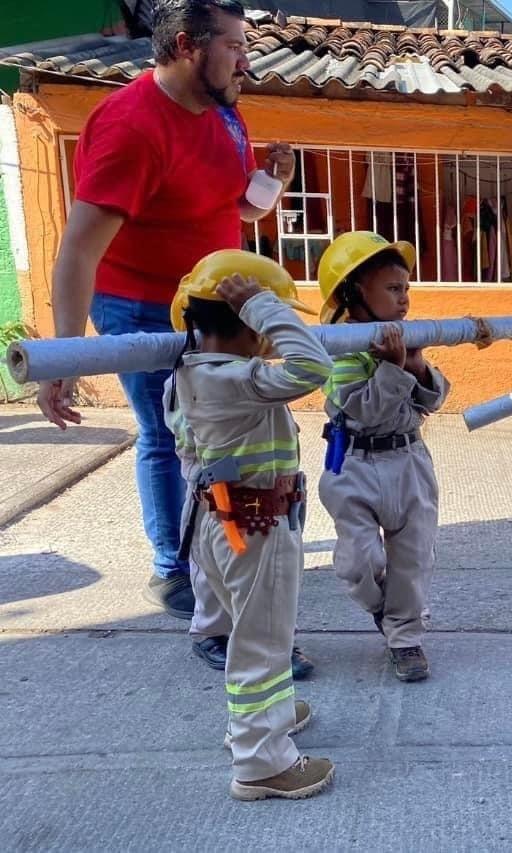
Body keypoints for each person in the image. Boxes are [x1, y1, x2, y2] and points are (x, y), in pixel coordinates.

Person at [35, 0, 296, 620]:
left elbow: (240, 212)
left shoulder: (226, 114)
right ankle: (173, 567)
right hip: (142, 305)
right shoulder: (130, 126)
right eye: (233, 46)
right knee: (171, 434)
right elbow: (78, 249)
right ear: (186, 46)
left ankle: (221, 544)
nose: (246, 61)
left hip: (212, 306)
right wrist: (65, 353)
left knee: (221, 433)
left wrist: (272, 182)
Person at [164, 250, 334, 801]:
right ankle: (262, 764)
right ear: (249, 323)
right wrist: (264, 306)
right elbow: (314, 366)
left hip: (223, 523)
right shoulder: (239, 379)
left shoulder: (187, 375)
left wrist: (257, 309)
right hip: (255, 527)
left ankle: (261, 718)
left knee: (252, 634)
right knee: (262, 643)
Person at [315, 232, 450, 683]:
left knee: (413, 558)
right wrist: (394, 369)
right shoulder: (338, 348)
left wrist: (417, 367)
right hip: (353, 465)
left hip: (408, 461)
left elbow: (434, 399)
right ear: (355, 291)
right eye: (393, 289)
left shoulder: (403, 342)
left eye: (406, 288)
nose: (405, 299)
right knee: (358, 562)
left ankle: (405, 637)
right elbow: (366, 409)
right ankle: (385, 608)